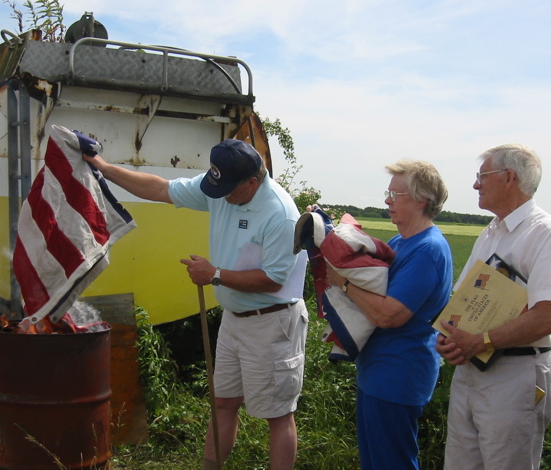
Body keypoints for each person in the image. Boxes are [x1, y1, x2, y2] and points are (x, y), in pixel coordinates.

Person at [82, 139, 308, 470]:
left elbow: (274, 279)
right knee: (223, 402)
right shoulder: (221, 189)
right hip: (235, 318)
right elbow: (160, 189)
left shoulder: (281, 214)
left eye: (230, 189)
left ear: (253, 182)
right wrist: (102, 167)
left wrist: (214, 274)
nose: (223, 197)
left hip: (271, 323)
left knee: (277, 414)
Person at [325, 159, 452, 470]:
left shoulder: (427, 250)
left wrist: (341, 282)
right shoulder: (401, 242)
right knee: (375, 461)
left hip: (399, 374)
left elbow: (388, 316)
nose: (387, 200)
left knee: (391, 462)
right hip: (379, 370)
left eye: (396, 195)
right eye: (388, 192)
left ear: (422, 200)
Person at [436, 143, 551, 470]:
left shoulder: (544, 234)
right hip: (470, 372)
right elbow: (462, 300)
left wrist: (481, 341)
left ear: (510, 178)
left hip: (515, 376)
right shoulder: (490, 233)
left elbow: (547, 315)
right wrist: (446, 338)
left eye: (481, 176)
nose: (475, 185)